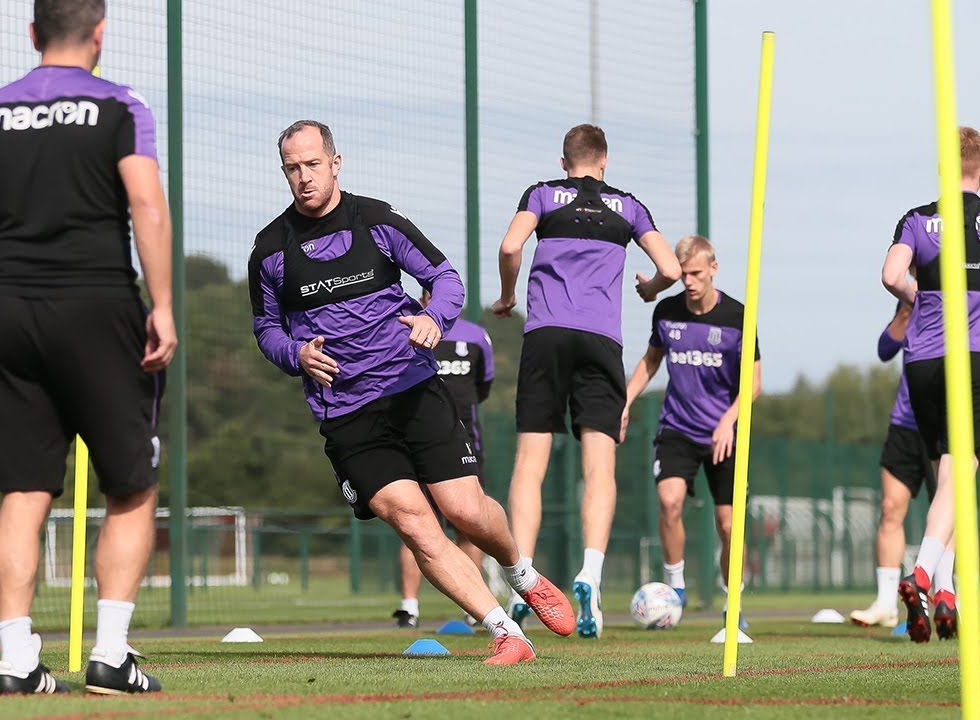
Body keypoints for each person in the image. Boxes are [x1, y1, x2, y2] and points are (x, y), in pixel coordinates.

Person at [0, 0, 175, 696]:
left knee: (24, 492)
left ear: (32, 34)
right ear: (99, 33)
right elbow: (146, 203)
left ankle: (16, 661)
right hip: (98, 307)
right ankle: (111, 656)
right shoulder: (119, 105)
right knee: (133, 485)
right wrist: (165, 306)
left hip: (11, 312)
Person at [250, 120, 575, 664]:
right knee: (413, 521)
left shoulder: (376, 220)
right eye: (292, 168)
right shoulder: (270, 249)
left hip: (412, 386)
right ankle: (506, 633)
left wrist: (434, 318)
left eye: (312, 164)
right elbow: (266, 329)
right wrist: (295, 354)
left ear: (335, 162)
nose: (303, 177)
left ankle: (522, 572)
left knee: (464, 511)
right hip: (345, 411)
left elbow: (447, 279)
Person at [493, 124, 681, 639]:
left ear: (564, 162)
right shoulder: (628, 207)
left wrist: (509, 295)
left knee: (530, 463)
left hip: (547, 335)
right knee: (599, 467)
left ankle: (522, 581)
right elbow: (670, 267)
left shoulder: (541, 195)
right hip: (601, 343)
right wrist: (650, 288)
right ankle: (591, 578)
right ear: (605, 162)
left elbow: (512, 247)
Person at [882, 126, 980, 643]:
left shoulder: (918, 219)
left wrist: (921, 289)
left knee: (947, 473)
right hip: (977, 359)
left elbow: (891, 277)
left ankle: (946, 591)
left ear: (943, 169)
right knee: (960, 473)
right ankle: (926, 573)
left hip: (925, 360)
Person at [621, 235, 760, 630]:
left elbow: (754, 382)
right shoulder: (666, 312)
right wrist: (627, 401)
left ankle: (733, 601)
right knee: (670, 502)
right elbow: (650, 363)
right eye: (684, 274)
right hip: (677, 428)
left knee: (729, 525)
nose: (690, 281)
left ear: (713, 269)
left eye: (697, 273)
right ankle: (675, 588)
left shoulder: (737, 317)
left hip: (725, 433)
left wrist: (728, 421)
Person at [394, 292, 496, 628]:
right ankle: (409, 608)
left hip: (466, 444)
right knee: (415, 525)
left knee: (470, 524)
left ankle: (473, 606)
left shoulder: (477, 337)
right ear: (422, 295)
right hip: (417, 442)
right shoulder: (407, 330)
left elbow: (482, 388)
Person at [849, 301, 937, 628]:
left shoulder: (963, 292)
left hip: (944, 424)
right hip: (905, 424)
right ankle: (886, 603)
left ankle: (946, 596)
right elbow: (885, 349)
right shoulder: (911, 298)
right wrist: (905, 311)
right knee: (890, 507)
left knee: (945, 513)